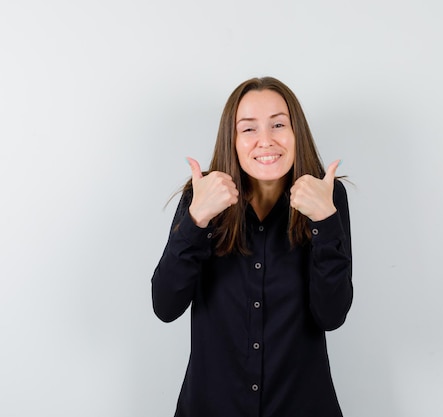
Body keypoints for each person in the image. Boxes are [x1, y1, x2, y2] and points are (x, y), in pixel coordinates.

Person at [151, 76, 353, 417]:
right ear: (231, 139)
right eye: (248, 129)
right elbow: (165, 305)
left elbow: (331, 315)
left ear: (296, 132)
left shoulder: (327, 197)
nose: (266, 141)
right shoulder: (201, 197)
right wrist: (196, 220)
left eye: (278, 124)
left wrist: (324, 222)